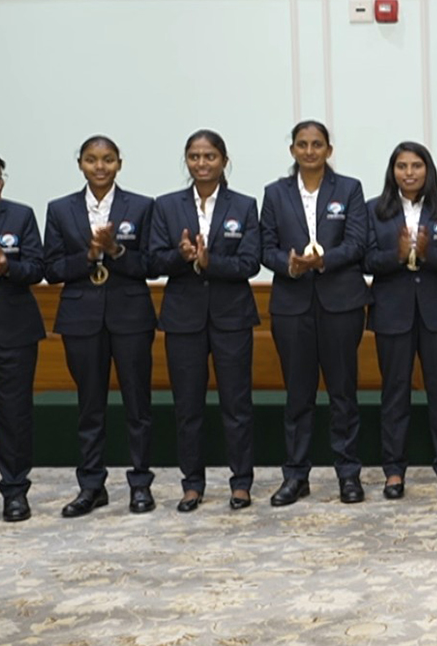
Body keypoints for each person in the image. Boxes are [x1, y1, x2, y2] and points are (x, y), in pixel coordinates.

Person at [43, 135, 158, 516]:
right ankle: (91, 486)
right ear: (80, 164)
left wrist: (115, 251)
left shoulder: (141, 206)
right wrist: (89, 255)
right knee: (89, 405)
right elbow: (52, 269)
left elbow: (150, 266)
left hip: (130, 315)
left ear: (119, 164)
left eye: (108, 159)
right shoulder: (60, 210)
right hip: (81, 317)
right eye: (92, 160)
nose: (100, 167)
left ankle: (140, 483)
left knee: (137, 404)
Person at [147, 129, 261, 511]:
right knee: (188, 406)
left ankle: (241, 483)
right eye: (194, 156)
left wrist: (213, 262)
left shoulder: (244, 205)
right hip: (183, 319)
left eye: (209, 156)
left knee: (237, 404)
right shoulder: (165, 206)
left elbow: (250, 262)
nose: (201, 163)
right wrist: (181, 256)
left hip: (232, 316)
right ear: (187, 161)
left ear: (223, 161)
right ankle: (192, 484)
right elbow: (152, 261)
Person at [260, 120, 370, 506]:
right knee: (298, 394)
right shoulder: (275, 193)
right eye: (302, 145)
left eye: (317, 144)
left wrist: (322, 261)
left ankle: (348, 474)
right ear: (292, 150)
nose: (310, 151)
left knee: (343, 392)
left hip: (341, 302)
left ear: (328, 150)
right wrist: (289, 264)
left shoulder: (350, 189)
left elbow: (358, 242)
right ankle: (296, 476)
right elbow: (265, 246)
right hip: (292, 306)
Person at [365, 141, 437, 499]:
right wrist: (397, 254)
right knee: (395, 394)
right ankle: (393, 471)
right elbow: (364, 261)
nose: (409, 173)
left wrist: (427, 253)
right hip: (392, 312)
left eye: (416, 166)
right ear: (392, 171)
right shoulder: (374, 210)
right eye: (402, 166)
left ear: (428, 170)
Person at [0, 144, 45, 523]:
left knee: (14, 415)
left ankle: (15, 491)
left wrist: (9, 269)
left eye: (0, 177)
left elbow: (38, 267)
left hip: (13, 331)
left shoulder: (19, 216)